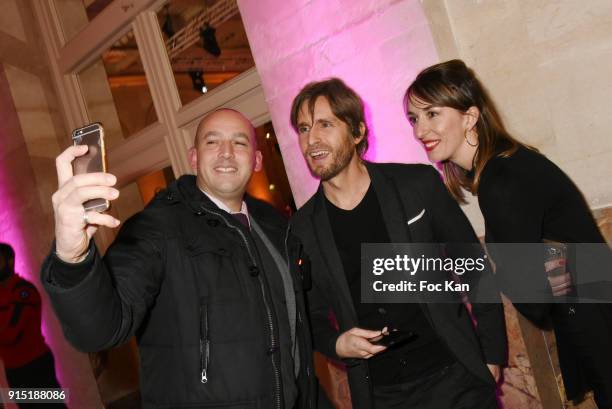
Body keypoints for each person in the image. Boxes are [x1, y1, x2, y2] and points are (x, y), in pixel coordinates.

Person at [40, 109, 316, 409]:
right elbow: (100, 329)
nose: (226, 153)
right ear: (194, 158)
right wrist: (72, 256)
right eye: (212, 142)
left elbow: (296, 330)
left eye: (239, 143)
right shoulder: (157, 227)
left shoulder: (276, 228)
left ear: (257, 160)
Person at [404, 59, 612, 408]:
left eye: (432, 114)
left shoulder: (500, 180)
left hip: (596, 323)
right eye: (414, 118)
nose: (420, 130)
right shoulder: (507, 165)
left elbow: (533, 300)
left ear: (469, 117)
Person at [289, 78, 507, 409]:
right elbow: (310, 314)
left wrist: (492, 356)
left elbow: (474, 268)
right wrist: (336, 345)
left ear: (358, 131)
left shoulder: (416, 185)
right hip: (381, 395)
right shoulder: (302, 229)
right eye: (304, 129)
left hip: (456, 378)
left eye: (325, 124)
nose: (312, 139)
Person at [0, 243, 66, 408]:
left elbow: (10, 333)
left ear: (9, 261)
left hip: (34, 366)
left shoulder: (24, 291)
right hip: (14, 370)